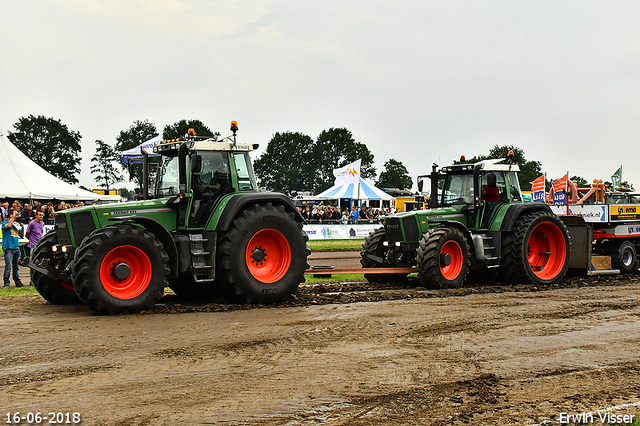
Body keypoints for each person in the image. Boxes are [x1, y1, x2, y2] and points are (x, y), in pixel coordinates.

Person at [2, 209, 24, 288]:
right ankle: (6, 283)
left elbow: (21, 235)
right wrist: (13, 216)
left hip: (16, 247)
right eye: (15, 215)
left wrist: (22, 228)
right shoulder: (5, 223)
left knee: (16, 266)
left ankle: (17, 281)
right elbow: (8, 226)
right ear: (11, 215)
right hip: (8, 247)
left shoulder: (16, 224)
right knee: (8, 266)